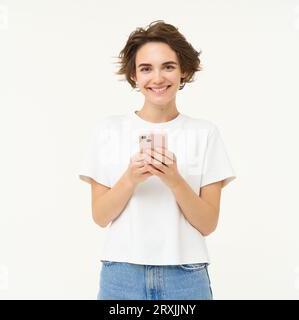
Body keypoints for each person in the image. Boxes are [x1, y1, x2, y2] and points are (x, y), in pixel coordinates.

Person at [78, 20, 236, 300]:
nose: (158, 78)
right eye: (146, 68)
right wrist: (130, 178)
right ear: (133, 77)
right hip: (122, 274)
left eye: (168, 66)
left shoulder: (205, 133)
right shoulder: (108, 130)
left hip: (185, 275)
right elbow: (100, 216)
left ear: (184, 71)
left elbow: (208, 223)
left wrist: (175, 180)